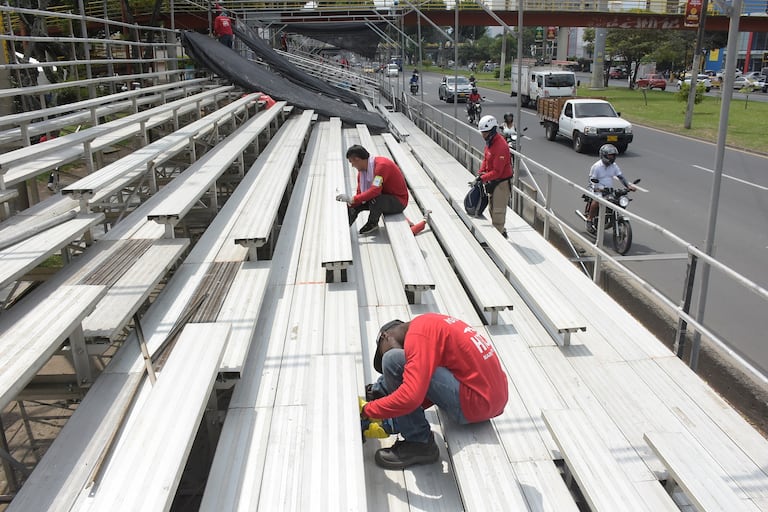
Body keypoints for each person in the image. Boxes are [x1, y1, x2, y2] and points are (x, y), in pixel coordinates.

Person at [360, 314, 508, 469]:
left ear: (386, 336)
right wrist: (391, 417)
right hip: (491, 396)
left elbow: (412, 397)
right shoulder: (429, 325)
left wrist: (368, 411)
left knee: (392, 360)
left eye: (382, 352)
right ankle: (381, 392)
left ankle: (419, 442)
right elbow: (428, 387)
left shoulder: (418, 336)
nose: (383, 358)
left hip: (476, 401)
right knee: (411, 366)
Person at [336, 145, 409, 235]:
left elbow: (375, 190)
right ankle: (344, 227)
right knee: (353, 206)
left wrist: (352, 199)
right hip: (383, 197)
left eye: (352, 162)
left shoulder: (382, 166)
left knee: (376, 199)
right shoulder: (362, 173)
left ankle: (372, 223)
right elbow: (360, 193)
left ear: (357, 159)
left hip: (398, 201)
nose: (352, 166)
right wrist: (351, 203)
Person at [476, 115, 513, 238]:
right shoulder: (490, 143)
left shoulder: (501, 146)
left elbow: (498, 171)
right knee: (492, 208)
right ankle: (501, 233)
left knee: (498, 212)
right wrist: (480, 173)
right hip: (492, 180)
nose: (482, 135)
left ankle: (499, 240)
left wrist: (483, 178)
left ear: (491, 131)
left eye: (484, 133)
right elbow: (486, 159)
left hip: (501, 182)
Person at [586, 144, 636, 231]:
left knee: (617, 201)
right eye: (610, 155)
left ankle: (610, 217)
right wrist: (597, 188)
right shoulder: (597, 166)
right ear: (603, 155)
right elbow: (592, 179)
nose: (612, 157)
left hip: (608, 190)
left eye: (613, 155)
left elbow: (620, 177)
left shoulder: (614, 166)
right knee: (596, 202)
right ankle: (589, 220)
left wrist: (628, 186)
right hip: (596, 188)